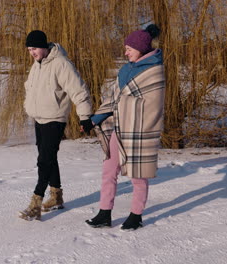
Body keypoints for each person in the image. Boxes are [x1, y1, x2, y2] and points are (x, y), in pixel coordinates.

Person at [85, 24, 165, 230]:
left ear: (141, 49)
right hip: (119, 129)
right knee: (108, 170)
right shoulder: (125, 69)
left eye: (129, 48)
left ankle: (136, 215)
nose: (125, 51)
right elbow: (114, 98)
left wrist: (125, 105)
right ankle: (104, 213)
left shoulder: (155, 72)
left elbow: (152, 106)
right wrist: (94, 119)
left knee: (138, 175)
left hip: (140, 131)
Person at [19, 30, 93, 221]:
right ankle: (56, 197)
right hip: (40, 118)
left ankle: (36, 202)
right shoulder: (37, 64)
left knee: (44, 160)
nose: (32, 53)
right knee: (47, 157)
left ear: (43, 46)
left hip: (55, 118)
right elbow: (30, 87)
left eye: (34, 48)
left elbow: (79, 90)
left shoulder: (61, 63)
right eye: (29, 49)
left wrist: (85, 116)